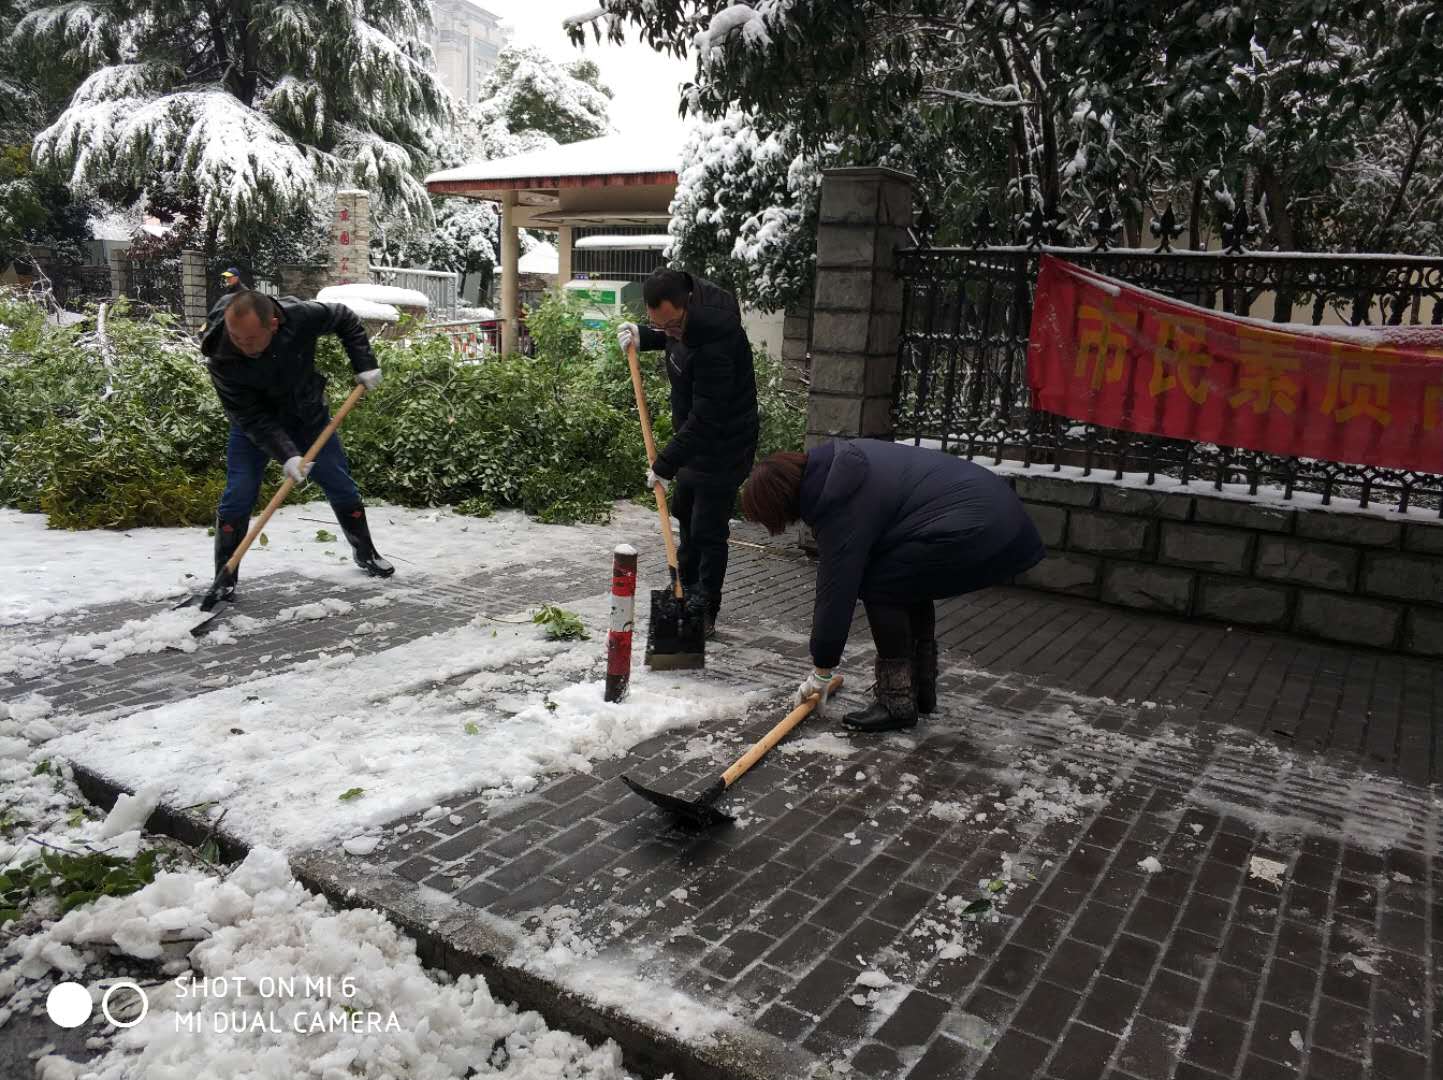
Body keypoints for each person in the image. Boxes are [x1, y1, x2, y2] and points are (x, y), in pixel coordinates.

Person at [741, 440, 1045, 732]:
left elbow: (836, 592)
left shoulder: (838, 503)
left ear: (780, 502)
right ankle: (920, 691)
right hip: (997, 514)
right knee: (905, 580)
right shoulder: (838, 466)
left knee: (880, 584)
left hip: (979, 526)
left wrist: (821, 671)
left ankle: (896, 702)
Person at [201, 289, 393, 599]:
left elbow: (344, 318)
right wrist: (286, 454)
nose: (242, 346)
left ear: (273, 324)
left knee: (338, 482)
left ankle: (365, 552)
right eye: (237, 338)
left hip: (308, 417)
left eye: (250, 340)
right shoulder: (220, 354)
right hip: (254, 427)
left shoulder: (300, 316)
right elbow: (249, 417)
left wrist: (364, 362)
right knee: (239, 493)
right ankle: (225, 575)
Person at [617, 268, 759, 637]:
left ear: (689, 306)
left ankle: (704, 602)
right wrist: (644, 335)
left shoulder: (716, 340)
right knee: (684, 516)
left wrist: (665, 463)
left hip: (724, 444)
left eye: (673, 324)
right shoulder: (681, 323)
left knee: (708, 530)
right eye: (658, 324)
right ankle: (684, 587)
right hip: (695, 441)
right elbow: (673, 336)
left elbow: (708, 417)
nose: (670, 332)